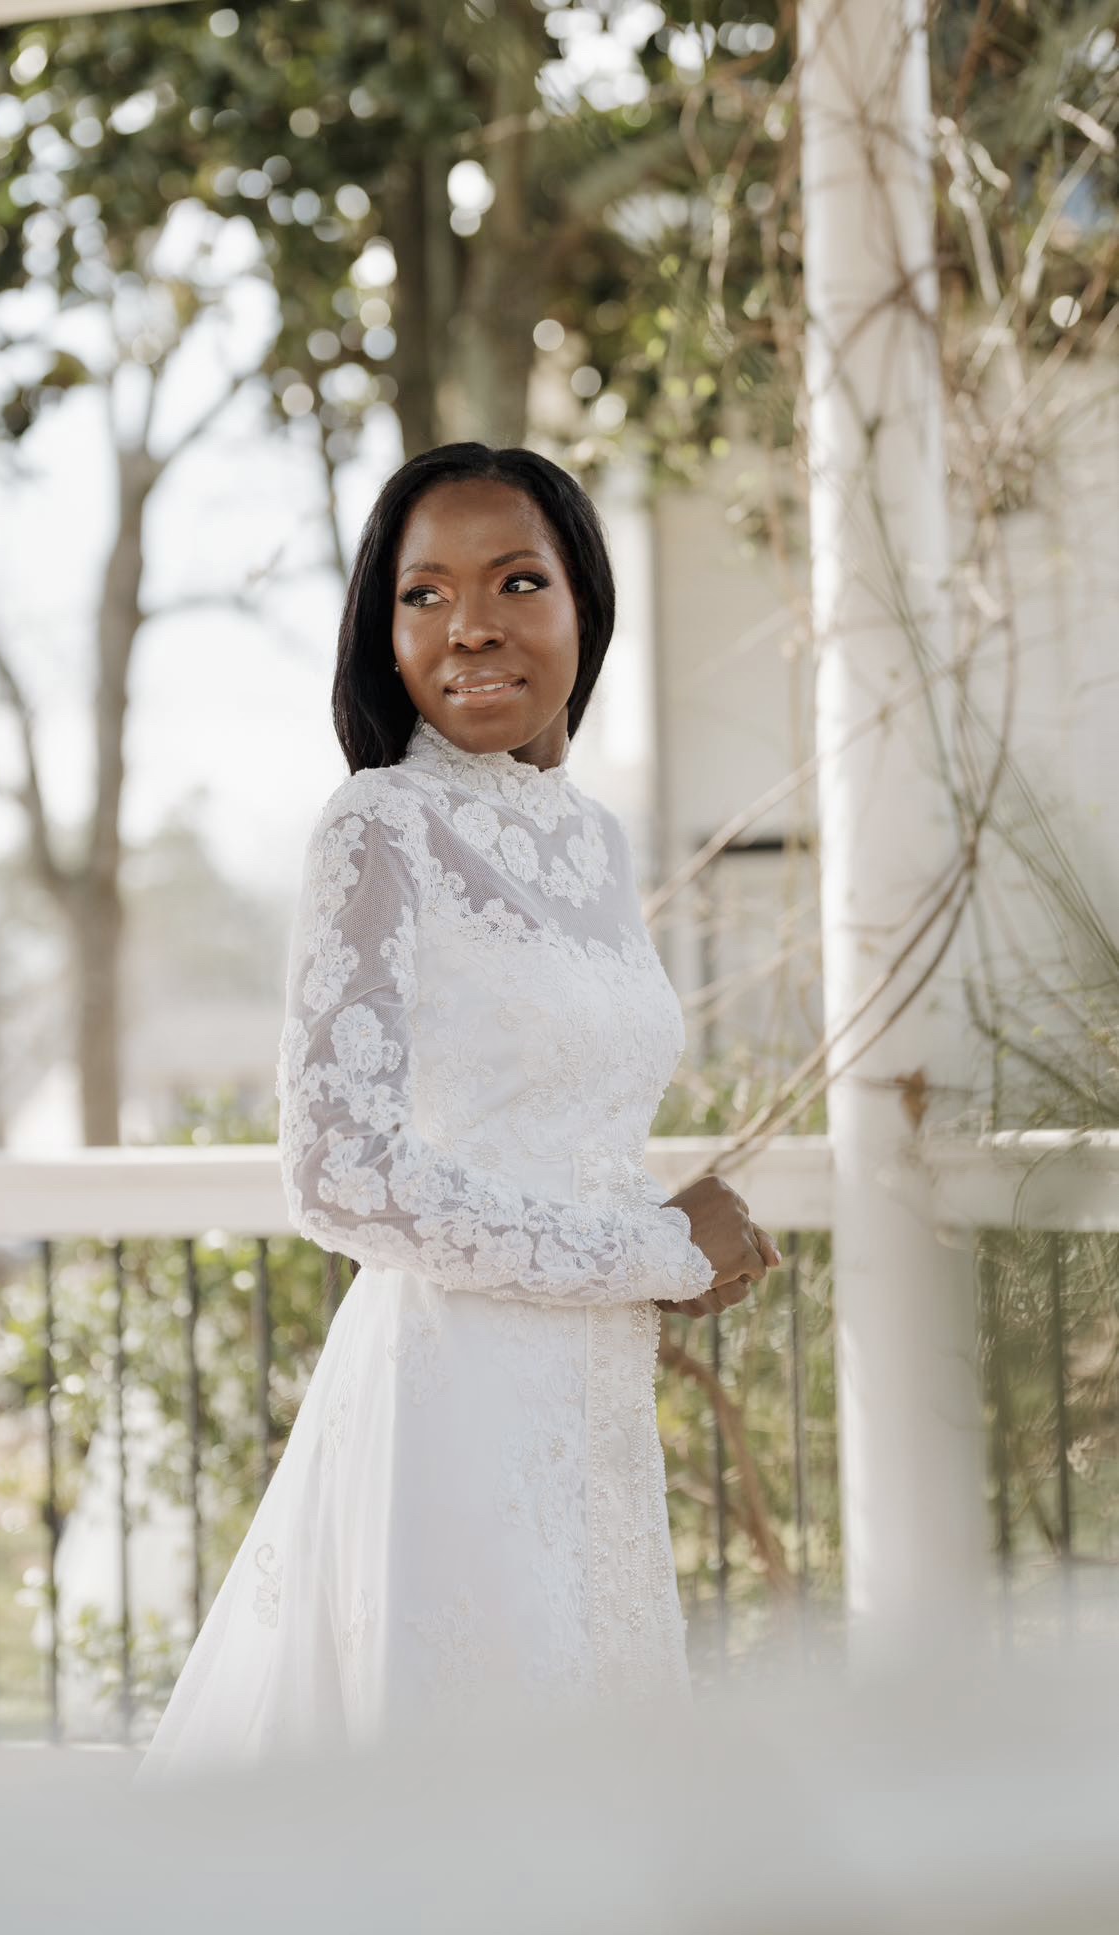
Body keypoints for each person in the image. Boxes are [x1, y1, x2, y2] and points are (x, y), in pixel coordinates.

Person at [134, 442, 779, 1784]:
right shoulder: (379, 825)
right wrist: (658, 1255)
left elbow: (554, 1111)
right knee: (471, 1806)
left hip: (590, 1396)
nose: (469, 625)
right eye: (422, 594)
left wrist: (660, 1248)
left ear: (585, 608)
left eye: (514, 581)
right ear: (383, 633)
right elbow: (342, 1179)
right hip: (449, 1403)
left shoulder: (594, 842)